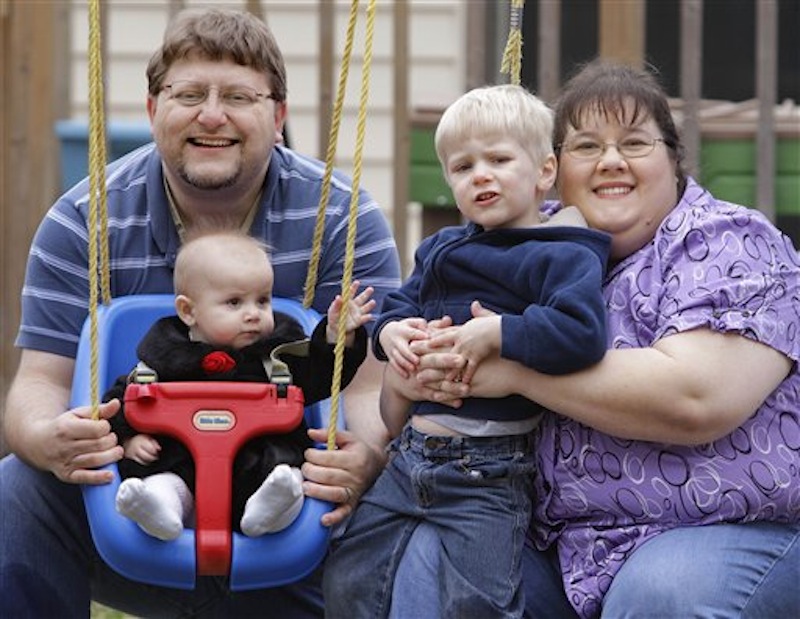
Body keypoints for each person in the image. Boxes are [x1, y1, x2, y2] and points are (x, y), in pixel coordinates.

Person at [1, 8, 400, 618]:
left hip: (296, 510)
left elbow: (371, 392)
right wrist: (49, 438)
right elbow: (39, 383)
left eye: (239, 96)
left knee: (396, 491)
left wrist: (363, 454)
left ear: (279, 114)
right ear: (154, 107)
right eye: (189, 94)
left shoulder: (342, 219)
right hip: (140, 497)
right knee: (15, 490)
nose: (212, 115)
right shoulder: (87, 220)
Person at [384, 60, 800, 619]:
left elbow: (696, 398)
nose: (610, 160)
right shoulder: (525, 241)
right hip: (557, 543)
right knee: (430, 558)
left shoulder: (729, 242)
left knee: (660, 592)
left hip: (725, 531)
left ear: (673, 162)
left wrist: (509, 366)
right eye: (586, 146)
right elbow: (413, 352)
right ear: (552, 170)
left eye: (634, 142)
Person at [324, 84, 610, 618]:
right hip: (408, 458)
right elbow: (400, 303)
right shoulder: (442, 250)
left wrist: (500, 332)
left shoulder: (562, 255)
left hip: (489, 472)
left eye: (499, 159)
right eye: (463, 167)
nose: (481, 174)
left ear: (544, 172)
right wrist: (388, 334)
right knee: (349, 574)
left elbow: (582, 332)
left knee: (477, 602)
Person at [107, 231, 375, 541]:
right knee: (164, 482)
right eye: (234, 302)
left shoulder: (277, 357)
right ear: (188, 311)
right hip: (184, 468)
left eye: (262, 300)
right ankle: (160, 511)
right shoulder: (162, 361)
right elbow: (119, 405)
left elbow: (323, 375)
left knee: (289, 480)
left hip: (261, 466)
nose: (253, 314)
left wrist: (337, 336)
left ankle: (270, 512)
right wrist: (129, 439)